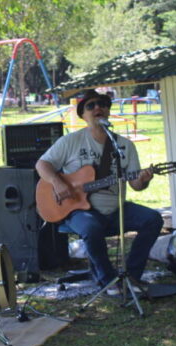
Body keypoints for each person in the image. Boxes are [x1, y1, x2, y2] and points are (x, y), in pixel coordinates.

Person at [35, 89, 162, 293]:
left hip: (115, 209)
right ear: (83, 114)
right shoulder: (71, 141)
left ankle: (132, 276)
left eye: (103, 104)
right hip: (78, 210)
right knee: (91, 228)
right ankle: (108, 280)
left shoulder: (124, 146)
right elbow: (42, 165)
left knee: (153, 219)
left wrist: (143, 180)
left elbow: (136, 186)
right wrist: (58, 183)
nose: (98, 108)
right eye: (91, 105)